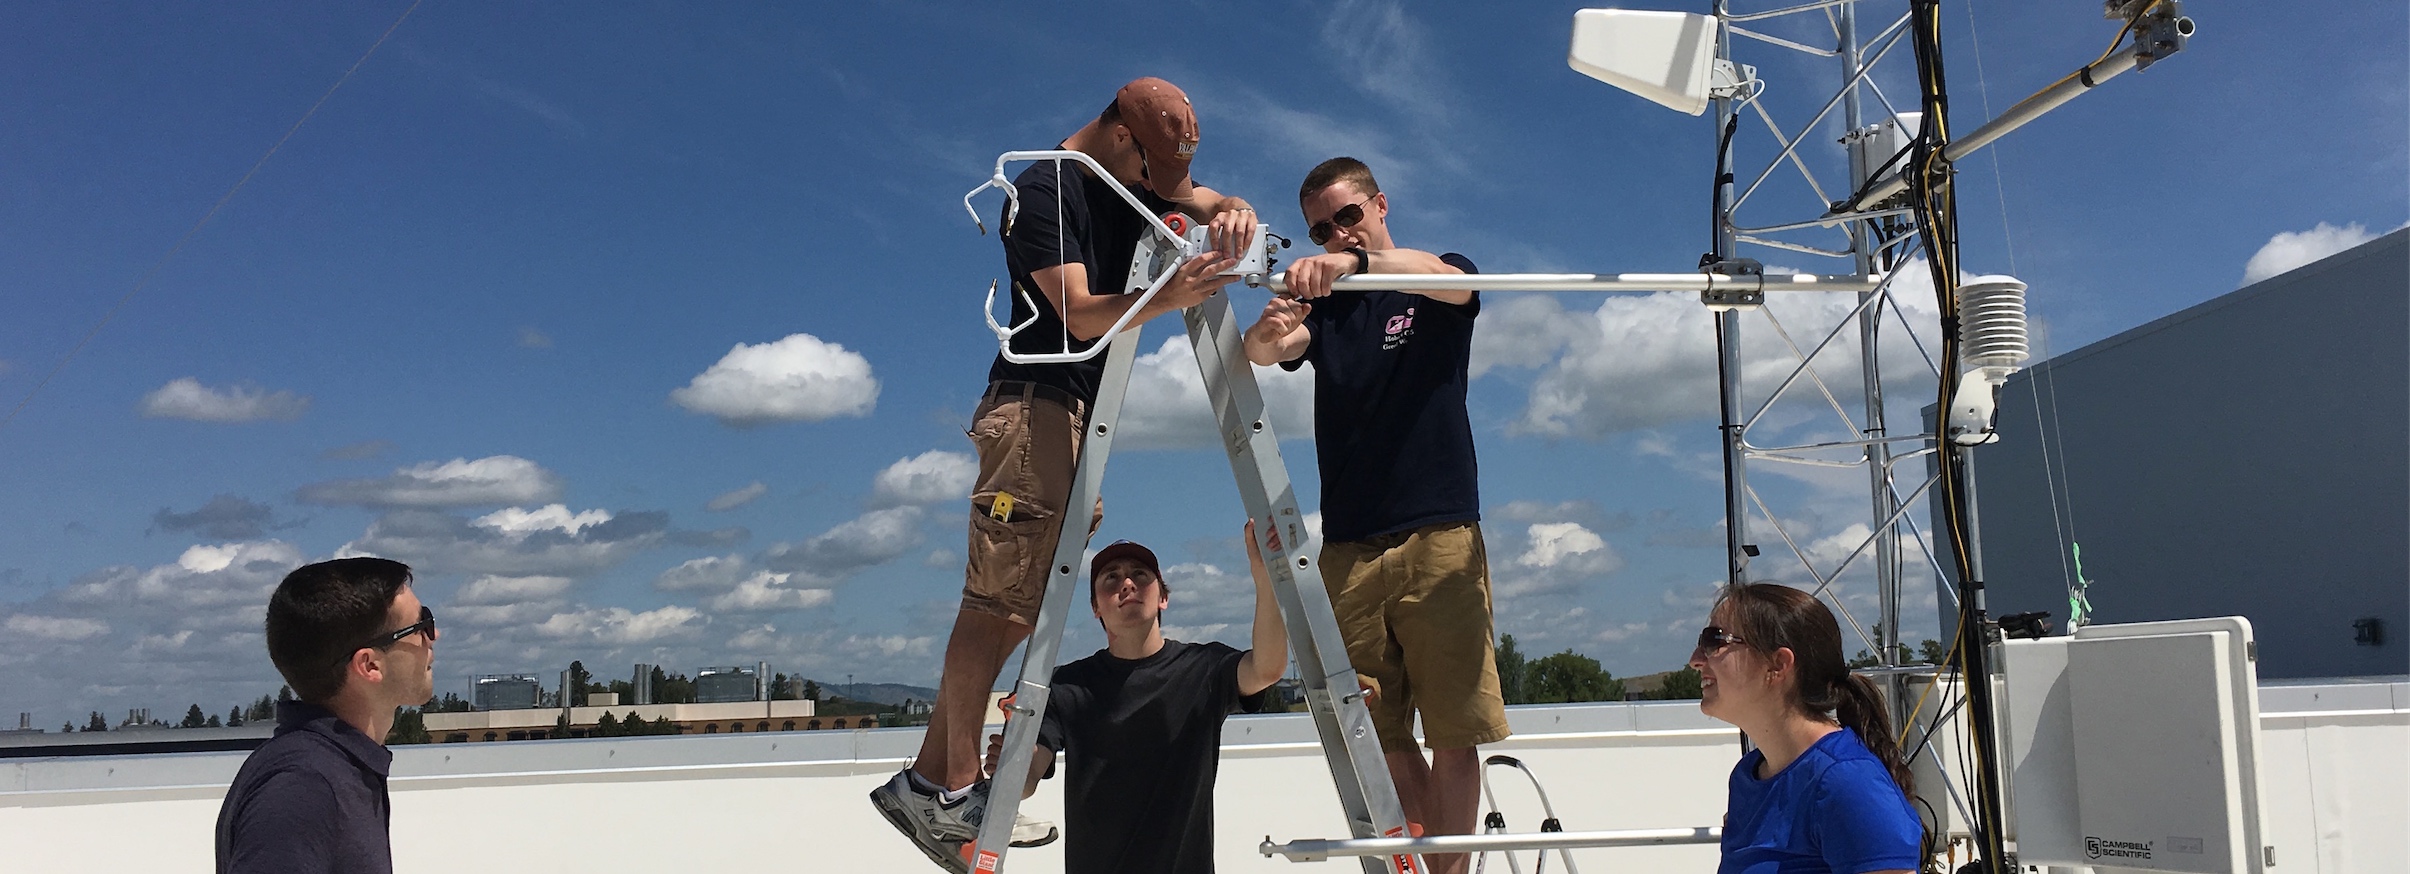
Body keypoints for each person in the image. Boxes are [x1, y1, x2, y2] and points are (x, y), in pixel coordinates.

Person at [872, 76, 1260, 872]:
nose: (1158, 185)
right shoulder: (1046, 191)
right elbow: (1078, 314)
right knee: (997, 605)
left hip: (1068, 417)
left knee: (1019, 606)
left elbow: (1195, 194)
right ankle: (951, 788)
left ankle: (928, 781)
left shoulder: (1123, 180)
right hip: (1036, 408)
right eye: (1150, 167)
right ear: (1120, 137)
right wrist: (1171, 292)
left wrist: (1232, 210)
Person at [1240, 156, 1506, 874]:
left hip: (1439, 532)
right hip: (1350, 547)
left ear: (1380, 205)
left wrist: (1354, 262)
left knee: (1454, 732)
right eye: (1320, 230)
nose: (1336, 234)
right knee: (1374, 730)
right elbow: (1264, 351)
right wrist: (1272, 324)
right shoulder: (1330, 310)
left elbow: (1452, 281)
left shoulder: (1434, 276)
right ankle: (1420, 866)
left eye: (1347, 216)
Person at [983, 523, 1285, 874]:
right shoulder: (1067, 685)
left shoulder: (1203, 668)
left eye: (1140, 574)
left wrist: (1265, 578)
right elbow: (1027, 778)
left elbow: (1267, 669)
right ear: (1096, 607)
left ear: (1163, 598)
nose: (1127, 583)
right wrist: (1012, 765)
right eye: (1111, 578)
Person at [216, 557, 437, 874]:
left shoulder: (335, 769)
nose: (434, 635)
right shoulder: (304, 786)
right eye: (421, 625)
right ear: (370, 665)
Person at [1690, 583, 1925, 874]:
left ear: (1778, 664)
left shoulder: (1848, 781)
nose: (1695, 660)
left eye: (1714, 640)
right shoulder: (1748, 777)